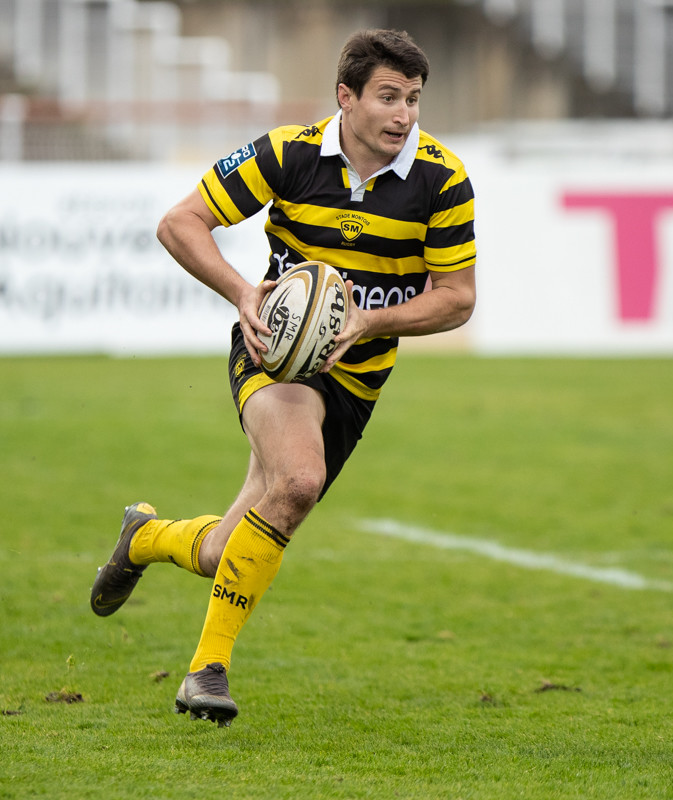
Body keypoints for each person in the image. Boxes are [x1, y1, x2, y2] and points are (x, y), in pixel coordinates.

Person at [89, 29, 477, 724]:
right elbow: (181, 224)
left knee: (222, 549)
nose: (404, 115)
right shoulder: (288, 154)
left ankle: (144, 537)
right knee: (299, 481)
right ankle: (206, 673)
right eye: (389, 97)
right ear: (345, 97)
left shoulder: (441, 179)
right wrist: (243, 293)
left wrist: (365, 324)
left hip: (357, 382)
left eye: (414, 99)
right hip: (275, 351)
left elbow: (457, 296)